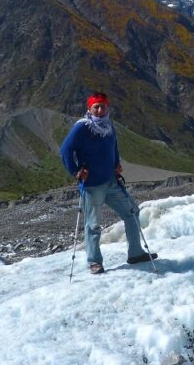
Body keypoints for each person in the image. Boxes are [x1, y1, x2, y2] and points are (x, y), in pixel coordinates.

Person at [60, 92, 157, 274]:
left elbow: (113, 146)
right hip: (92, 186)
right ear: (89, 109)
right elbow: (65, 150)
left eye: (102, 106)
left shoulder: (108, 126)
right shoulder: (82, 128)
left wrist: (116, 164)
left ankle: (135, 253)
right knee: (93, 225)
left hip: (111, 181)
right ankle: (94, 262)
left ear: (107, 108)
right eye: (96, 106)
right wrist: (76, 171)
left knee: (132, 212)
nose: (99, 110)